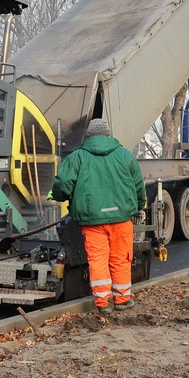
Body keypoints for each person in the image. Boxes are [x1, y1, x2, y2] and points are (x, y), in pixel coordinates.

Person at [50, 118, 146, 314]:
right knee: (121, 257)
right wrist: (140, 207)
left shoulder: (77, 157)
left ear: (88, 136)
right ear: (108, 135)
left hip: (92, 220)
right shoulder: (125, 156)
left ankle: (103, 304)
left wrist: (60, 196)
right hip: (121, 218)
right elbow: (138, 185)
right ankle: (122, 299)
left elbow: (62, 185)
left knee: (98, 259)